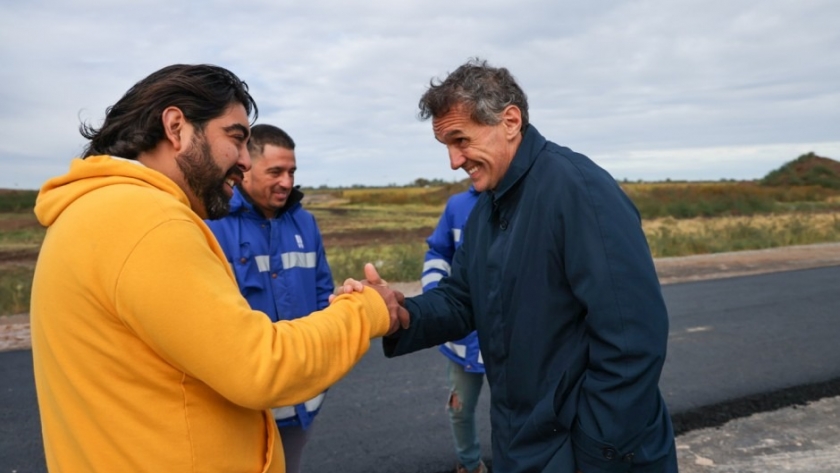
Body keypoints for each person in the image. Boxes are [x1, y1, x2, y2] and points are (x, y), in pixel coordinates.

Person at [29, 64, 407, 473]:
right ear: (176, 128)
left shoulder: (92, 211)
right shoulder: (147, 219)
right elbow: (260, 364)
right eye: (236, 138)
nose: (245, 160)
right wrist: (368, 310)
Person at [379, 59, 678, 472]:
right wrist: (400, 313)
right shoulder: (487, 209)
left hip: (589, 451)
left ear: (510, 121)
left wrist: (597, 448)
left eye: (460, 140)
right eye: (446, 146)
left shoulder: (578, 190)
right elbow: (461, 298)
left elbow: (633, 339)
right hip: (523, 442)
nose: (453, 161)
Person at [205, 124, 333, 473]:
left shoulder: (305, 223)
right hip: (242, 405)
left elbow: (323, 294)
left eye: (291, 171)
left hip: (303, 397)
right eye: (275, 171)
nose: (287, 182)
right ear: (245, 169)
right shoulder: (211, 224)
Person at [422, 186, 487, 473]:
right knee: (460, 409)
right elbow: (438, 252)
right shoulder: (456, 205)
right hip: (463, 340)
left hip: (512, 342)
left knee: (514, 413)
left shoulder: (528, 199)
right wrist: (438, 299)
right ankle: (470, 465)